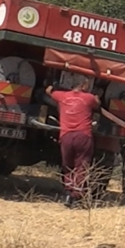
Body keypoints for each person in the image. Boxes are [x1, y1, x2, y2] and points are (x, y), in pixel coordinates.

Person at [46, 74, 101, 207]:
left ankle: (68, 194)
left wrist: (52, 84)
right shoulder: (89, 98)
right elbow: (97, 104)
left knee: (68, 166)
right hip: (83, 136)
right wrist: (98, 94)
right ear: (83, 85)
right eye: (87, 84)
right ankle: (77, 196)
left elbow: (48, 91)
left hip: (66, 136)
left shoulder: (62, 96)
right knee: (81, 165)